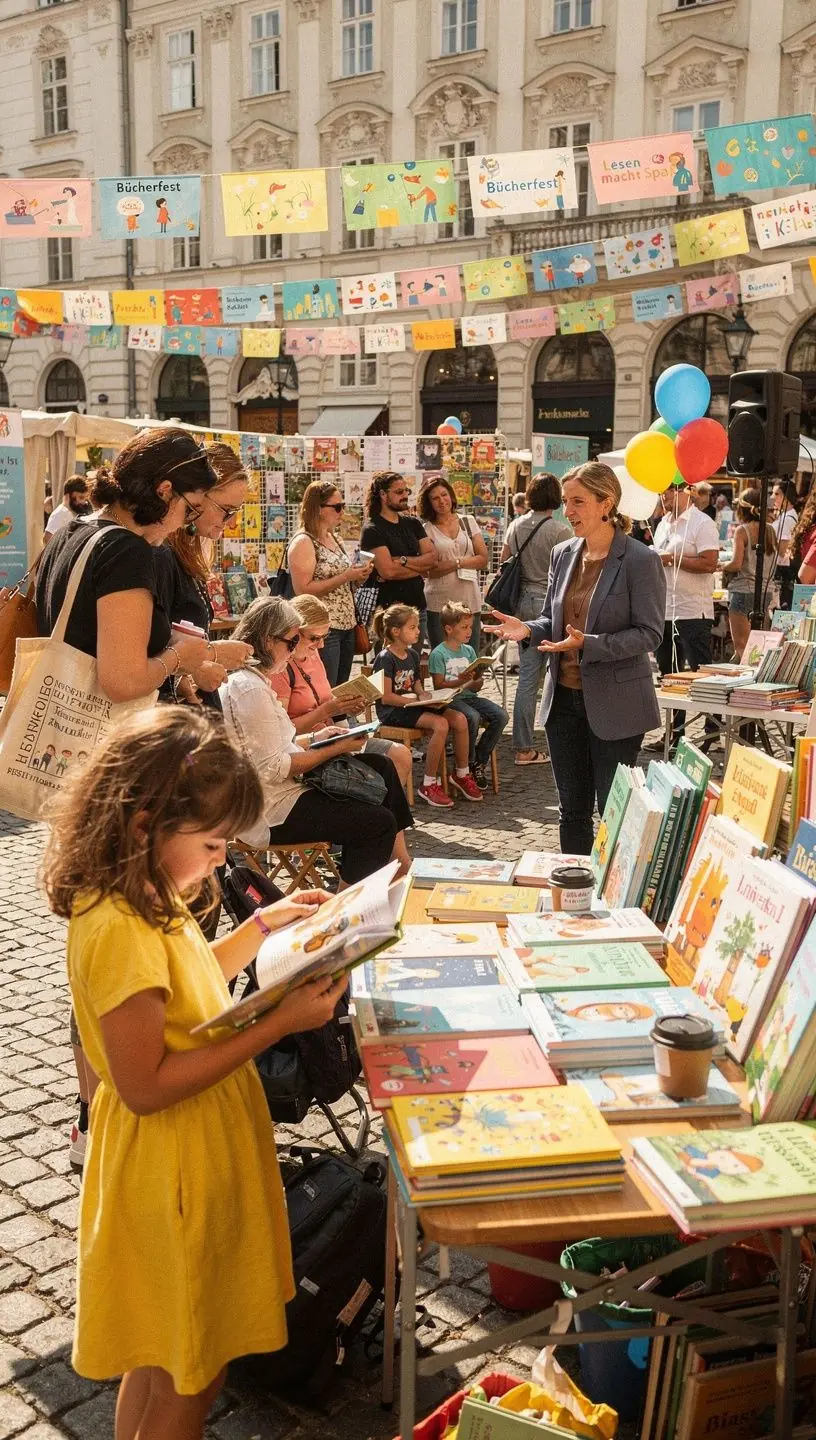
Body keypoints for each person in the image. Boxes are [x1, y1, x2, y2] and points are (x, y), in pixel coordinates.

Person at [41, 705, 345, 1439]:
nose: (221, 859)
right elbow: (145, 1084)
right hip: (175, 1159)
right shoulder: (118, 925)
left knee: (159, 1349)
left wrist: (259, 929)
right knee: (194, 1363)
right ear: (146, 824)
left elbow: (181, 993)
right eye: (212, 844)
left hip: (184, 1150)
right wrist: (275, 1024)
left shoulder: (142, 895)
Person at [36, 426, 215, 1172]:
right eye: (192, 507)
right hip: (110, 773)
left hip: (70, 765)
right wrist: (187, 655)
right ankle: (111, 1106)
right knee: (123, 940)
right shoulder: (129, 552)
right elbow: (120, 679)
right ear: (166, 492)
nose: (190, 524)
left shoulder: (74, 537)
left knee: (96, 936)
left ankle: (93, 1112)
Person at [485, 462, 665, 854]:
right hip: (563, 701)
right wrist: (528, 628)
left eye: (578, 502)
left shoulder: (639, 560)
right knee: (572, 812)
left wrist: (591, 643)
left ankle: (613, 903)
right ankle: (576, 902)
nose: (569, 511)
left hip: (617, 706)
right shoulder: (562, 553)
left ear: (607, 503)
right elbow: (555, 619)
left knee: (614, 812)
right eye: (566, 502)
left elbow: (650, 634)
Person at [221, 596, 414, 878]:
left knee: (381, 768)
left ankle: (399, 864)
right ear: (266, 641)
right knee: (376, 823)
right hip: (269, 811)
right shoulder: (250, 689)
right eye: (291, 642)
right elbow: (275, 767)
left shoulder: (255, 682)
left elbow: (274, 746)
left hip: (281, 792)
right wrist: (334, 749)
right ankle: (345, 914)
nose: (293, 650)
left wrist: (318, 738)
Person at [269, 592, 413, 790]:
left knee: (401, 755)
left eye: (325, 637)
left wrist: (348, 707)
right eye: (314, 638)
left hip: (334, 737)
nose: (321, 645)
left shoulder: (312, 656)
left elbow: (326, 702)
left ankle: (388, 818)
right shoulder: (280, 668)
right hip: (309, 748)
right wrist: (327, 711)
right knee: (383, 767)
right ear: (293, 633)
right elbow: (282, 731)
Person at [153, 443, 255, 709]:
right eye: (226, 510)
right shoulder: (162, 555)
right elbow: (146, 649)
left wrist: (189, 673)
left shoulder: (185, 553)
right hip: (170, 720)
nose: (232, 522)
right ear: (198, 496)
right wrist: (210, 657)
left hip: (187, 707)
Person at [372, 603, 480, 808]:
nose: (418, 631)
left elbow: (417, 684)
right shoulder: (385, 658)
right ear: (396, 632)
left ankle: (461, 773)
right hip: (393, 711)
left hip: (411, 706)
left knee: (459, 719)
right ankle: (429, 783)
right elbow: (386, 697)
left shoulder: (412, 655)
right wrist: (412, 700)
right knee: (440, 724)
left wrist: (424, 695)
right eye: (412, 628)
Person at [500, 472, 572, 766]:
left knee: (530, 675)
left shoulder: (516, 525)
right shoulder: (559, 530)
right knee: (544, 674)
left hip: (520, 602)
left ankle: (526, 741)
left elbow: (504, 560)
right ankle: (524, 746)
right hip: (548, 602)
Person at [651, 482, 720, 751]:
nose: (663, 496)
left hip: (692, 611)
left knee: (701, 673)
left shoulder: (702, 523)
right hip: (664, 610)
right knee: (670, 675)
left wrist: (670, 559)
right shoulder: (662, 523)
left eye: (666, 491)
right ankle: (675, 733)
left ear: (684, 491)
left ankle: (711, 732)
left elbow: (710, 563)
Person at [288, 480, 373, 686]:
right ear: (318, 509)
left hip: (347, 624)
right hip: (323, 629)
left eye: (343, 506)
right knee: (327, 686)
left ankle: (339, 719)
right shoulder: (303, 542)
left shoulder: (334, 538)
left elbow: (344, 583)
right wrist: (345, 577)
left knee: (342, 685)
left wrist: (358, 577)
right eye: (337, 507)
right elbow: (302, 590)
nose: (342, 512)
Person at [428, 601, 508, 790]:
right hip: (450, 700)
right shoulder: (439, 653)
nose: (469, 631)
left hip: (469, 697)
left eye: (470, 627)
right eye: (464, 627)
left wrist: (477, 677)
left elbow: (476, 687)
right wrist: (461, 680)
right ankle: (465, 766)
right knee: (471, 717)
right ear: (448, 629)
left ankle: (478, 761)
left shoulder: (469, 651)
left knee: (501, 715)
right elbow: (439, 685)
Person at [361, 472, 438, 651]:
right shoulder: (372, 529)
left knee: (413, 668)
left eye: (406, 491)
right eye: (399, 492)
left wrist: (402, 561)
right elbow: (388, 571)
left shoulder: (413, 524)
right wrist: (419, 567)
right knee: (389, 670)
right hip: (389, 614)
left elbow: (432, 559)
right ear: (382, 495)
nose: (405, 495)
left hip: (418, 608)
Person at [418, 475, 489, 651]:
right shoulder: (426, 530)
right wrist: (463, 562)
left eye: (444, 495)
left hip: (469, 601)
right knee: (442, 659)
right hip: (439, 603)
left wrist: (453, 563)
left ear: (451, 495)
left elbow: (483, 559)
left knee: (470, 658)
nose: (442, 501)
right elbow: (429, 571)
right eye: (435, 498)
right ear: (428, 503)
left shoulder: (468, 521)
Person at [722, 487, 778, 656]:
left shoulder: (742, 530)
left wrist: (722, 565)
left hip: (743, 590)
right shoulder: (770, 530)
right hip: (765, 592)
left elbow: (736, 563)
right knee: (758, 650)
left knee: (742, 648)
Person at [43, 475, 91, 541]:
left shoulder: (75, 511)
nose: (84, 502)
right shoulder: (60, 513)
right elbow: (47, 538)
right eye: (81, 497)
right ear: (68, 495)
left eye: (85, 498)